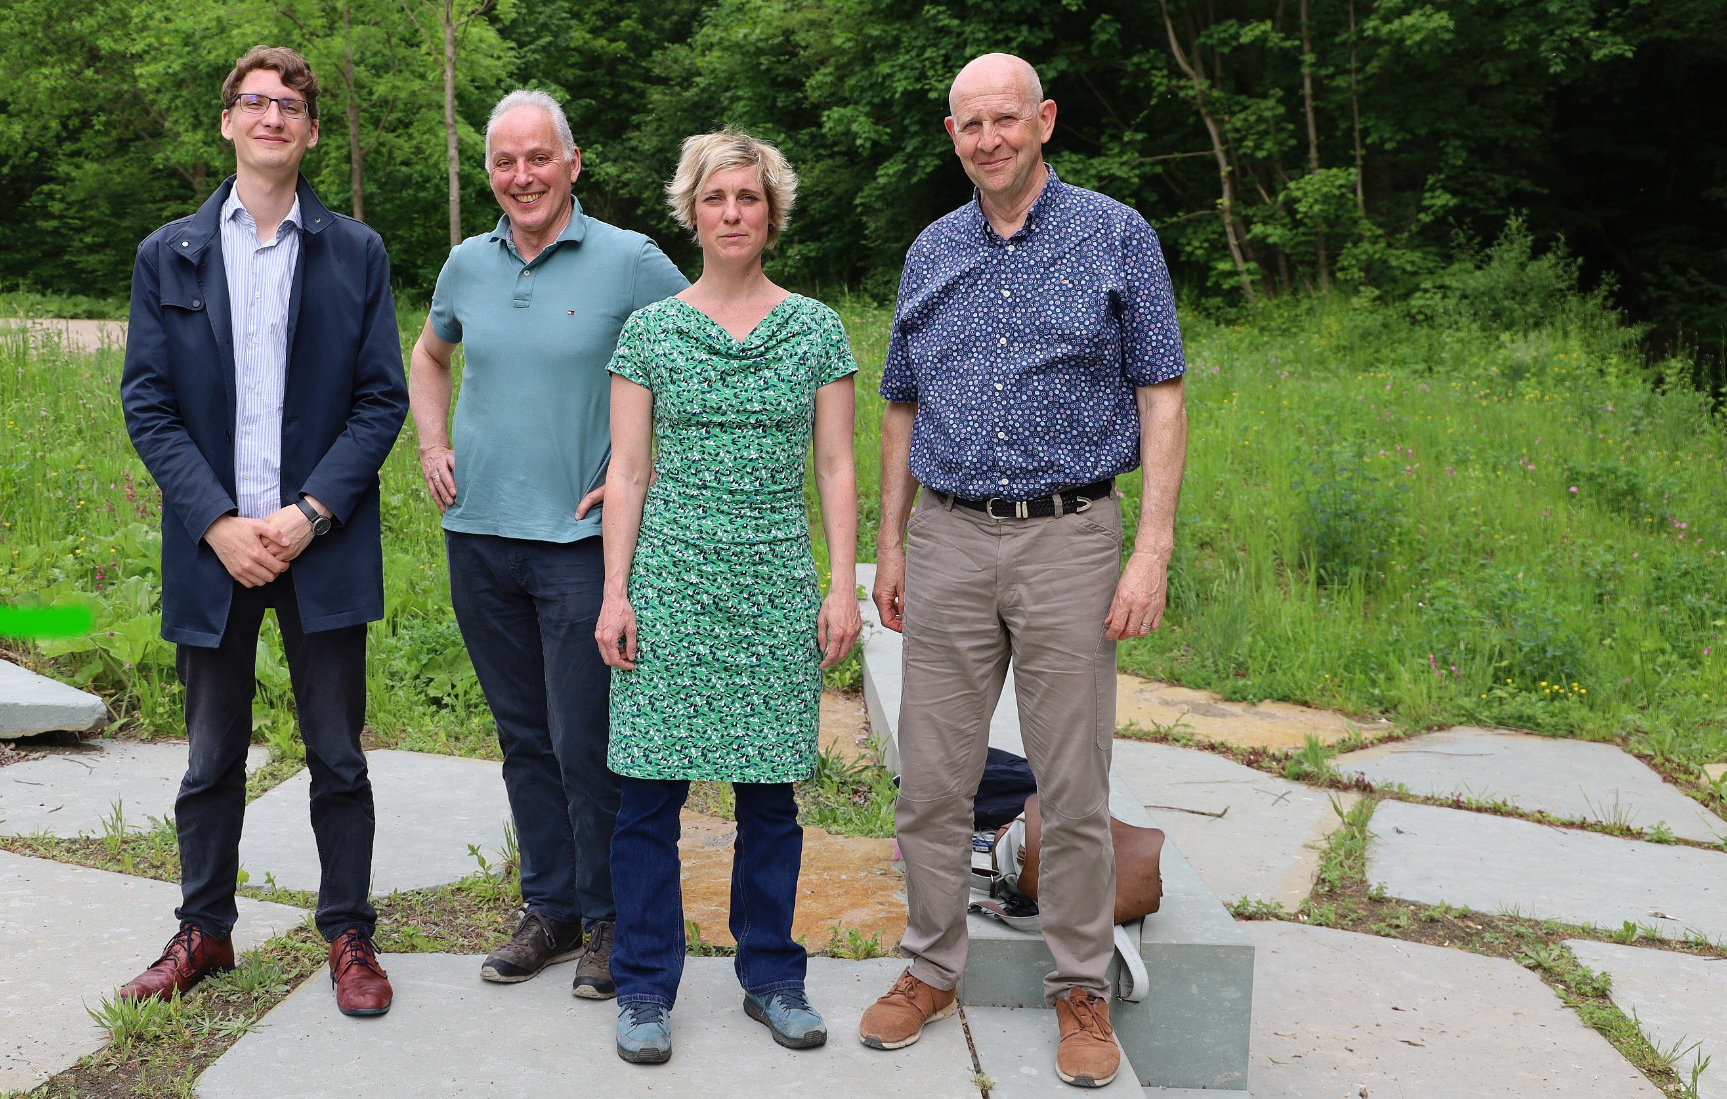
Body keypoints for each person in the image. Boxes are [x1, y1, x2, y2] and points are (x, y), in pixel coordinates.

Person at [856, 54, 1187, 1089]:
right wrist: (893, 539)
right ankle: (927, 965)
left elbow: (1160, 398)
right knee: (934, 773)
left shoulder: (1114, 235)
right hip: (949, 536)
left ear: (1041, 120)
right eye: (969, 124)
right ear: (949, 134)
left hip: (1070, 536)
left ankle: (1079, 986)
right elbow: (899, 404)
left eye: (1006, 119)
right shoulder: (931, 250)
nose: (988, 138)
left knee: (1073, 782)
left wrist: (1149, 550)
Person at [119, 45, 408, 1017]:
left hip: (316, 542)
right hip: (216, 550)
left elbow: (380, 402)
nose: (271, 117)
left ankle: (348, 933)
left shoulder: (355, 253)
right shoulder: (171, 253)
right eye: (254, 102)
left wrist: (305, 513)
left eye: (289, 105)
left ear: (311, 130)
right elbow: (148, 406)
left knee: (337, 753)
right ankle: (203, 929)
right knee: (209, 757)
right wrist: (216, 523)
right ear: (227, 121)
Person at [407, 89, 689, 1000]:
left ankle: (609, 918)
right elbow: (429, 355)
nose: (520, 176)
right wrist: (432, 440)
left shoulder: (630, 262)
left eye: (538, 158)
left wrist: (641, 466)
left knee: (586, 739)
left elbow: (702, 355)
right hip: (480, 536)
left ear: (573, 163)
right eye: (503, 161)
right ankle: (551, 909)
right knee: (523, 736)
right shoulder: (466, 263)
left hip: (580, 543)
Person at [595, 131, 862, 1065]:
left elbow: (835, 464)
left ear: (771, 213)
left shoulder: (817, 328)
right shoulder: (651, 330)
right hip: (669, 580)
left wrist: (840, 584)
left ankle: (774, 975)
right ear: (693, 211)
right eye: (717, 198)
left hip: (771, 581)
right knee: (647, 799)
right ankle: (643, 986)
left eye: (749, 197)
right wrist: (614, 592)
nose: (734, 213)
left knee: (769, 797)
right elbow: (627, 471)